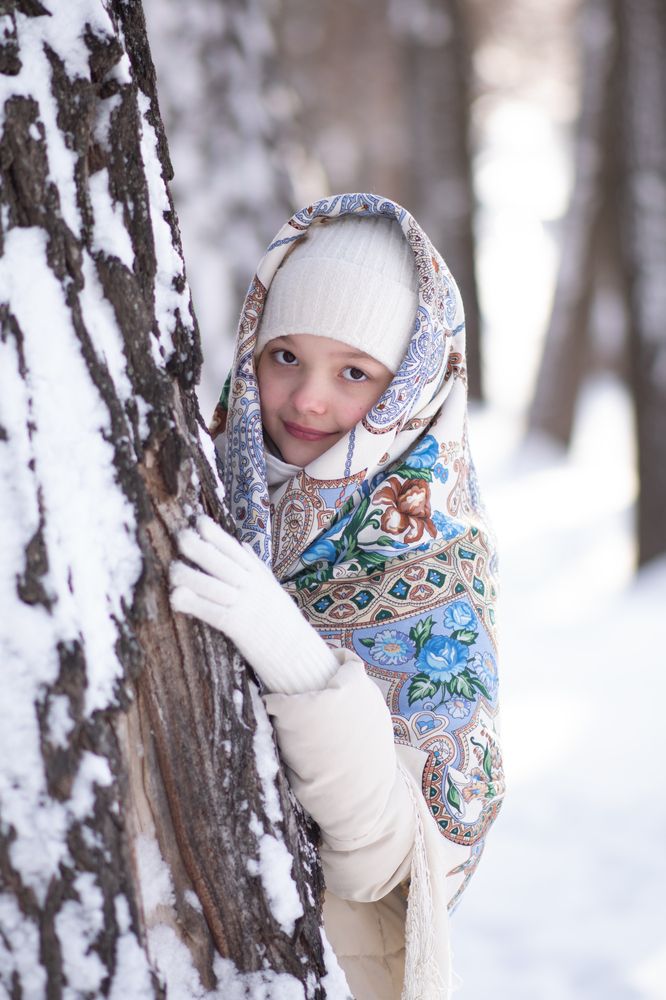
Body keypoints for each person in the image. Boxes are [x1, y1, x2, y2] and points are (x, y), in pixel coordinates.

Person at [170, 193, 504, 1000]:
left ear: (413, 385)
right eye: (285, 356)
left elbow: (386, 856)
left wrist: (293, 657)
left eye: (355, 372)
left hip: (321, 962)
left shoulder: (435, 558)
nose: (309, 399)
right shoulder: (210, 477)